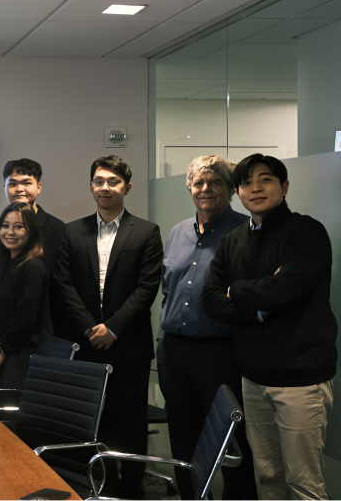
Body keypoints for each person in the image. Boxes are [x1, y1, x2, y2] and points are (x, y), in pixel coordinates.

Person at [203, 153, 336, 501]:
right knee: (269, 478)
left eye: (266, 179)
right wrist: (256, 308)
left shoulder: (306, 232)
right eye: (246, 182)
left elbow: (284, 291)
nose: (256, 188)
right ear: (238, 192)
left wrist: (237, 289)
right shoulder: (233, 240)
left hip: (300, 381)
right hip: (253, 378)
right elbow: (209, 299)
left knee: (304, 483)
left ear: (284, 186)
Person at [53, 155, 163, 499]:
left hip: (128, 345)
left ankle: (132, 488)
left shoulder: (146, 231)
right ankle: (98, 485)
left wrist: (113, 328)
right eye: (99, 181)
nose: (105, 187)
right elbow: (63, 285)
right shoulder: (72, 231)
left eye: (113, 181)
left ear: (126, 187)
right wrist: (90, 328)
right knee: (90, 421)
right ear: (90, 187)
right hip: (85, 345)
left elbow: (147, 288)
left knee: (130, 422)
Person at [156, 155, 255, 501]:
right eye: (199, 183)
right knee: (183, 438)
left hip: (220, 353)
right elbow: (169, 289)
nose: (205, 189)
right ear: (189, 187)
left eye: (215, 183)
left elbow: (250, 295)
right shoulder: (178, 231)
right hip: (173, 351)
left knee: (231, 440)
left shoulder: (245, 232)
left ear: (230, 189)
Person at [0, 202, 51, 389]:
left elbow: (26, 316)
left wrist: (2, 349)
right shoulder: (5, 265)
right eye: (5, 226)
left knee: (13, 414)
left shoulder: (33, 267)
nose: (10, 232)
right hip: (5, 352)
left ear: (31, 232)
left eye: (18, 227)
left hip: (21, 356)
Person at [0, 159, 66, 271]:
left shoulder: (58, 229)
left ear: (38, 187)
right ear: (5, 188)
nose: (19, 189)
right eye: (12, 184)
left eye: (27, 183)